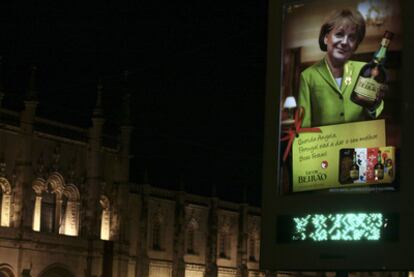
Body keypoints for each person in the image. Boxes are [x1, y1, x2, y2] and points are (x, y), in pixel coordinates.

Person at [298, 9, 383, 128]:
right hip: (324, 145)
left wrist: (374, 105)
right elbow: (303, 125)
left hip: (358, 143)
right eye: (339, 34)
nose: (344, 42)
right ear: (326, 38)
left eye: (352, 38)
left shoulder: (364, 69)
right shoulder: (307, 76)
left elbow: (377, 111)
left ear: (355, 46)